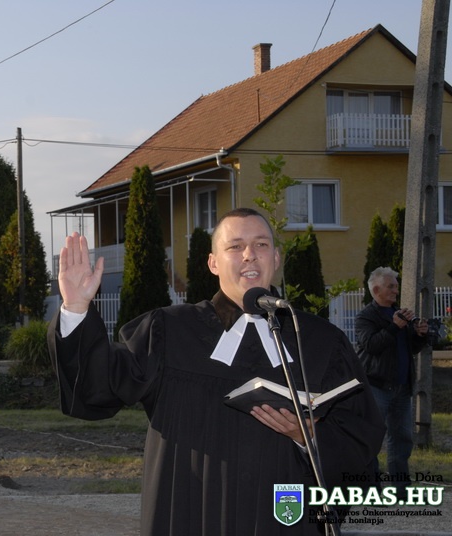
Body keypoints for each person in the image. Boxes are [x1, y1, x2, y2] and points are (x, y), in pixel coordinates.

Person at [48, 207, 384, 535]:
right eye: (235, 246)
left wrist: (308, 438)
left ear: (276, 258)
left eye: (261, 244)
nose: (249, 255)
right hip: (191, 513)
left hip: (284, 517)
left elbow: (361, 437)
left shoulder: (320, 342)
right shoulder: (169, 331)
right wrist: (76, 309)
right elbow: (99, 385)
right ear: (213, 263)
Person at [355, 266, 428, 498]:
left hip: (402, 388)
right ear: (377, 290)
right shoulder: (366, 316)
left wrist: (419, 334)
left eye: (396, 286)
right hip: (376, 387)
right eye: (391, 287)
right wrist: (394, 327)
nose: (396, 291)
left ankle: (401, 490)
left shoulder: (400, 315)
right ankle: (371, 490)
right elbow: (371, 345)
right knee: (372, 438)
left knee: (402, 439)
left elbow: (410, 349)